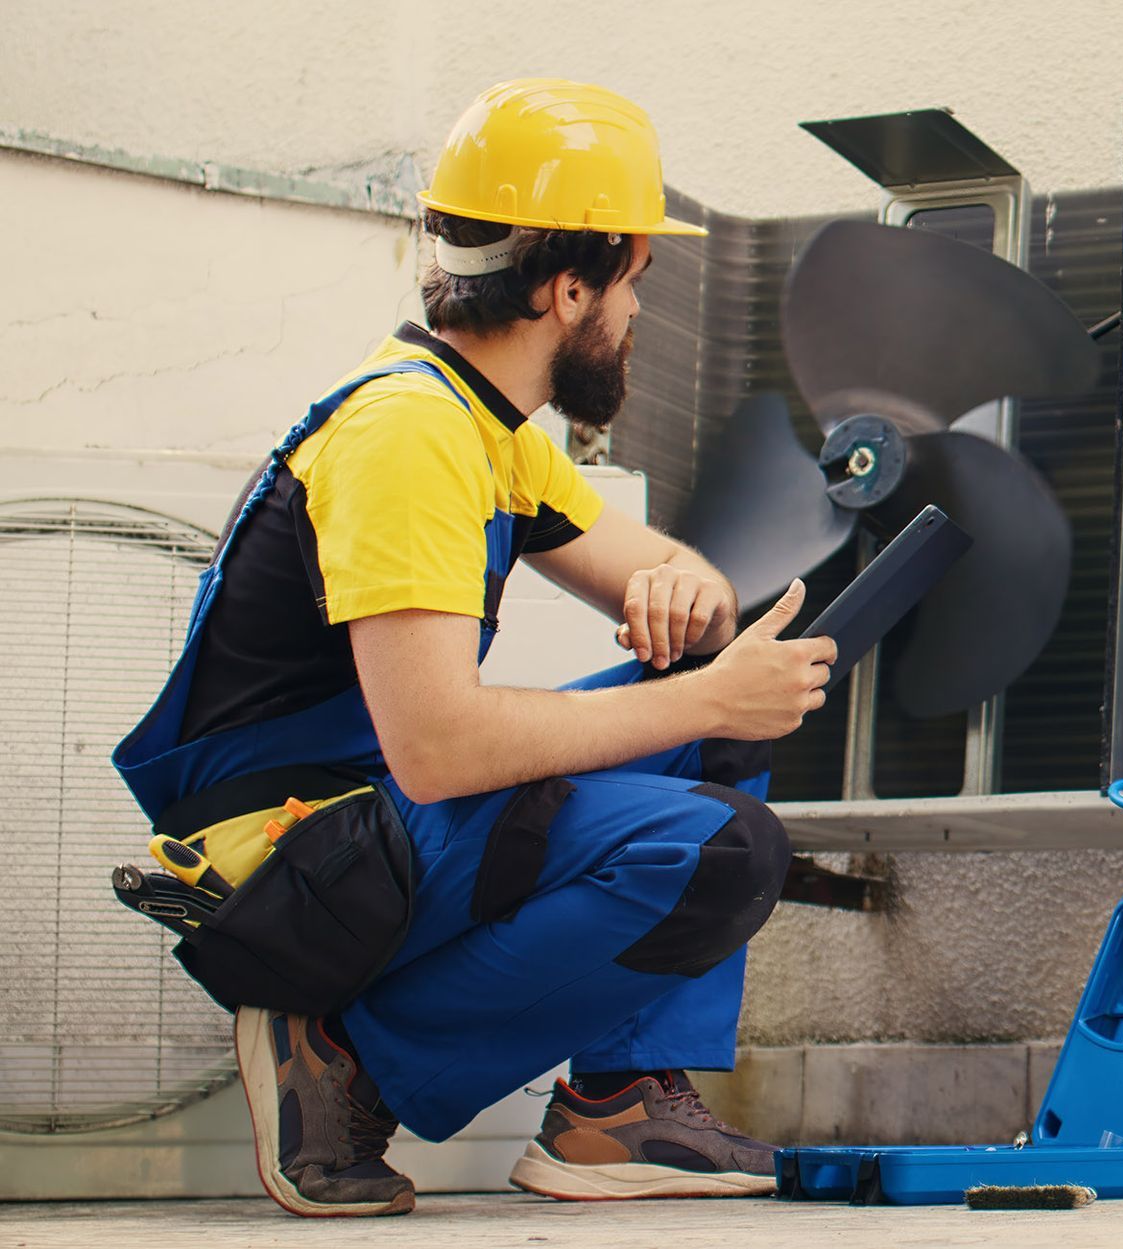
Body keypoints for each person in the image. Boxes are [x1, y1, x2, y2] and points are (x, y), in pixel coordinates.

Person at [111, 78, 833, 1218]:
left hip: (370, 821)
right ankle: (348, 1060)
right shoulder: (409, 434)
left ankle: (616, 1109)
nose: (638, 315)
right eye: (634, 284)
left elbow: (678, 579)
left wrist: (680, 598)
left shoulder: (481, 423)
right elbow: (440, 747)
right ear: (567, 288)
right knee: (717, 847)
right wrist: (707, 700)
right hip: (299, 859)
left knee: (709, 693)